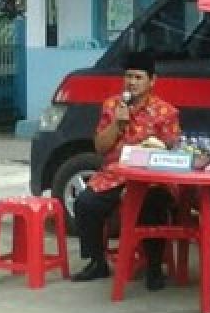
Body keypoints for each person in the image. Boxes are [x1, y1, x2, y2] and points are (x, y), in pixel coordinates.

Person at [70, 50, 180, 289]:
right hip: (114, 175)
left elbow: (174, 151)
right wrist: (117, 124)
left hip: (153, 178)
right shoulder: (112, 105)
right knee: (86, 203)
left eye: (138, 77)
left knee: (153, 204)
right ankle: (97, 262)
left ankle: (153, 268)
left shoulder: (166, 112)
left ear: (152, 81)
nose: (131, 82)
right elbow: (100, 147)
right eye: (128, 76)